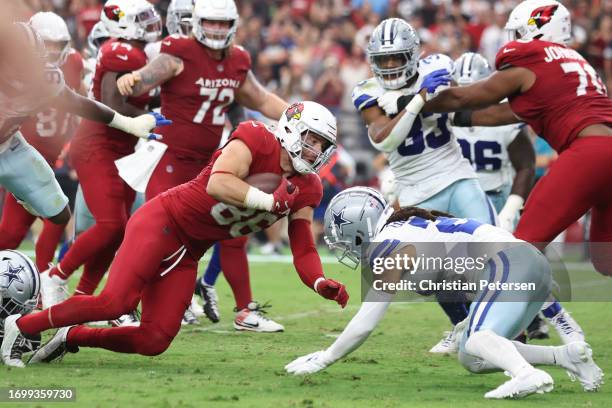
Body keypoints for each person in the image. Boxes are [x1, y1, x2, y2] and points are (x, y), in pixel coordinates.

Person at [1, 101, 348, 367]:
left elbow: (302, 247)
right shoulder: (257, 138)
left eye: (322, 145)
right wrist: (269, 201)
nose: (315, 151)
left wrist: (319, 281)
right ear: (290, 129)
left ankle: (72, 336)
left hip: (189, 250)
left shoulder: (309, 187)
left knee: (154, 339)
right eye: (311, 140)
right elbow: (219, 181)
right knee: (115, 302)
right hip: (163, 221)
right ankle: (24, 325)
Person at [285, 187, 603, 399]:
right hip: (527, 264)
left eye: (342, 238)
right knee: (471, 355)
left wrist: (325, 358)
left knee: (479, 339)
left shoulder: (387, 246)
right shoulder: (411, 228)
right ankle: (566, 357)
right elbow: (462, 273)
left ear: (358, 229)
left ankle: (525, 374)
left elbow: (367, 321)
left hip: (511, 265)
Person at [116, 0, 291, 331]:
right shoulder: (179, 51)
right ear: (198, 22)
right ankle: (125, 304)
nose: (217, 30)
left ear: (234, 26)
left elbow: (261, 99)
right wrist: (135, 78)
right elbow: (150, 76)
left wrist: (298, 115)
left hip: (208, 166)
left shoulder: (237, 60)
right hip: (169, 159)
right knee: (155, 238)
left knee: (233, 232)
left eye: (224, 24)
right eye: (211, 22)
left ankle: (244, 311)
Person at [422, 0, 612, 278]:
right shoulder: (576, 62)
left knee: (521, 249)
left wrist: (412, 103)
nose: (513, 39)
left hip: (589, 154)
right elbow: (510, 112)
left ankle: (490, 323)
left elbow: (468, 96)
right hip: (603, 151)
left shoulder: (533, 58)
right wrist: (456, 118)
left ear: (537, 29)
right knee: (606, 260)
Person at [353, 17, 494, 353]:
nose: (388, 66)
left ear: (413, 55)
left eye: (396, 58)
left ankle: (501, 328)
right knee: (428, 275)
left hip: (457, 177)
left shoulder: (439, 65)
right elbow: (384, 140)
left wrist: (417, 97)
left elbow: (462, 98)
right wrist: (416, 100)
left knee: (496, 255)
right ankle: (463, 326)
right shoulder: (367, 90)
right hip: (416, 191)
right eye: (382, 60)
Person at [40, 0, 165, 310]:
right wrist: (154, 112)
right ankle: (55, 275)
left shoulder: (136, 52)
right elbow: (115, 105)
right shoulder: (121, 51)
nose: (150, 24)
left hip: (120, 149)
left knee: (119, 228)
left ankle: (83, 297)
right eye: (142, 18)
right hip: (98, 144)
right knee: (109, 224)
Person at [452, 51, 583, 343]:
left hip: (496, 200)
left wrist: (512, 205)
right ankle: (474, 326)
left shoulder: (502, 117)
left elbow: (525, 165)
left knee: (513, 269)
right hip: (459, 201)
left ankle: (550, 319)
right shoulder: (446, 119)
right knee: (460, 272)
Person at [0, 20, 166, 245]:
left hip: (10, 146)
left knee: (59, 213)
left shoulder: (44, 79)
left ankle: (21, 191)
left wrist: (126, 123)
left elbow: (78, 103)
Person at [0, 12, 84, 272]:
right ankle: (44, 279)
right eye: (45, 44)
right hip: (22, 153)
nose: (50, 52)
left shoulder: (73, 64)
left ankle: (45, 277)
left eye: (56, 46)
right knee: (13, 232)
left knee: (58, 216)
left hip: (49, 152)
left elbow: (77, 100)